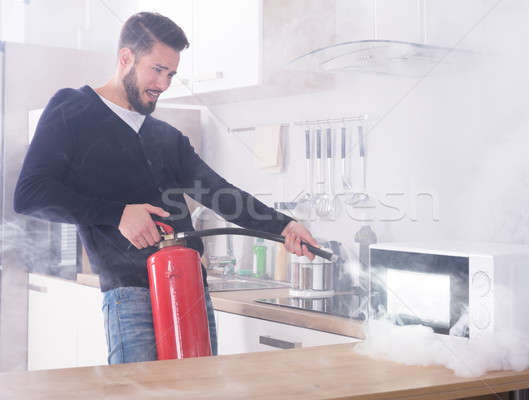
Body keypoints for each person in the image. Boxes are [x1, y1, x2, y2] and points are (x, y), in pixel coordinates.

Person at [13, 12, 318, 364]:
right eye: (156, 69)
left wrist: (284, 226)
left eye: (171, 73)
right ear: (126, 58)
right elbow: (30, 193)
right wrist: (119, 214)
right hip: (131, 294)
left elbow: (219, 192)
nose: (164, 83)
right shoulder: (73, 109)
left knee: (197, 391)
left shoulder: (166, 137)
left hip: (191, 292)